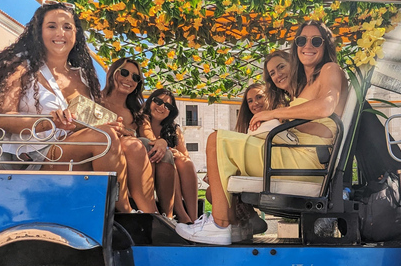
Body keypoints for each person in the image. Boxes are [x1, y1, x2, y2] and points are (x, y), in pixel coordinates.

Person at [176, 20, 348, 244]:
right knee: (220, 150)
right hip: (302, 156)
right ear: (295, 47)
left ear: (326, 45)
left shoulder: (329, 69)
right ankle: (231, 226)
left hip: (306, 160)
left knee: (216, 140)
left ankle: (220, 225)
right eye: (301, 40)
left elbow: (326, 108)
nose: (308, 45)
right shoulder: (309, 82)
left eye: (316, 40)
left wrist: (274, 115)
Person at [0, 2, 134, 212]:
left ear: (76, 34)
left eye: (67, 27)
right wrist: (50, 122)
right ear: (38, 31)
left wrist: (110, 124)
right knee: (104, 137)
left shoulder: (82, 75)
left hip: (70, 148)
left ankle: (153, 218)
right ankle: (124, 214)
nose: (60, 32)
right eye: (52, 26)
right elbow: (3, 119)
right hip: (33, 157)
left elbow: (85, 124)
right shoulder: (19, 67)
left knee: (134, 146)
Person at [101, 58, 157, 213]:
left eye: (135, 77)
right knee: (135, 145)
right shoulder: (95, 101)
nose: (129, 79)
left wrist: (162, 142)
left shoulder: (137, 111)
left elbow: (150, 137)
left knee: (162, 153)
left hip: (138, 159)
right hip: (104, 157)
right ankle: (151, 214)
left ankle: (171, 215)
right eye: (124, 72)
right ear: (112, 73)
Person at [140, 88, 199, 223]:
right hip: (149, 167)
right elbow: (150, 142)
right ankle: (181, 215)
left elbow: (184, 154)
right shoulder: (143, 120)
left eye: (168, 106)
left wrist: (178, 153)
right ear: (150, 101)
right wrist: (166, 146)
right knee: (170, 160)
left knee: (186, 162)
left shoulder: (174, 129)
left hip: (168, 164)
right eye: (158, 101)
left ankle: (194, 218)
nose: (162, 107)